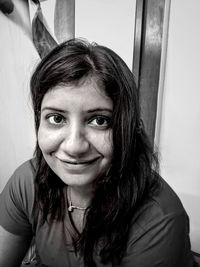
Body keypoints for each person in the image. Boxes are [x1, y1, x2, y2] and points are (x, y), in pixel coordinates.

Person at [0, 38, 196, 267]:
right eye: (56, 118)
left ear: (127, 128)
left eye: (99, 120)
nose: (74, 146)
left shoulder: (159, 218)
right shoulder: (27, 182)